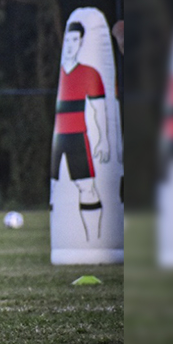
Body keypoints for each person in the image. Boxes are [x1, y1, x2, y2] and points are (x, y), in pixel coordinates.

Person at [52, 22, 112, 240]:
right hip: (58, 140)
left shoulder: (90, 73)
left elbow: (99, 109)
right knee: (55, 191)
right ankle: (65, 241)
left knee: (87, 187)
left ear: (82, 42)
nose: (70, 45)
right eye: (67, 40)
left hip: (78, 137)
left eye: (75, 40)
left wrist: (104, 139)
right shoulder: (56, 74)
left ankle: (93, 241)